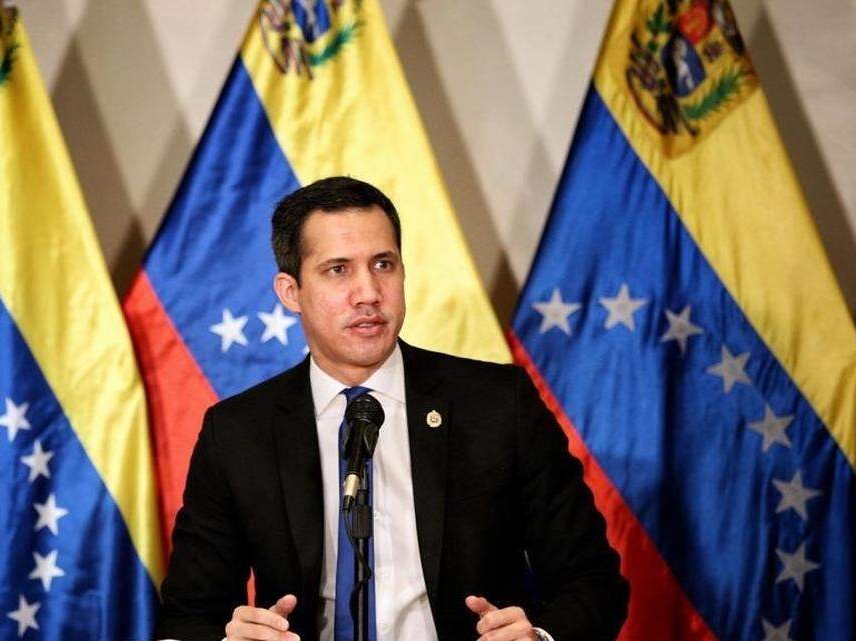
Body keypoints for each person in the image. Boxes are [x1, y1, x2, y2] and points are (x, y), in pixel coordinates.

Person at [156, 177, 628, 641]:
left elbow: (593, 582)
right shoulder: (238, 432)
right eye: (338, 270)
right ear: (291, 292)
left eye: (383, 264)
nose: (368, 293)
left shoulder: (498, 405)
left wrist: (540, 637)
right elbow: (186, 618)